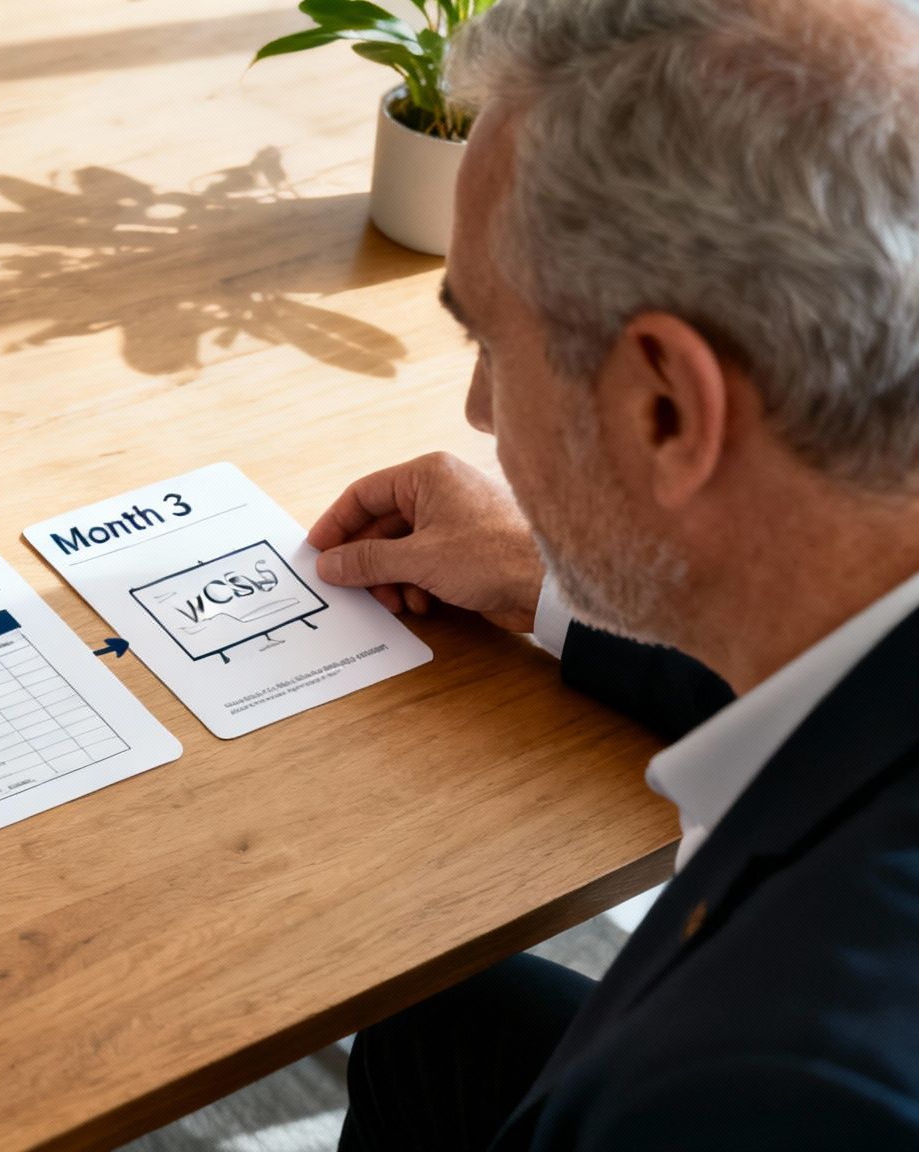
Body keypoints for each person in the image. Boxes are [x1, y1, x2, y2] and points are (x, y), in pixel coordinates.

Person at [302, 0, 919, 1147]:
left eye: (487, 342)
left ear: (665, 406)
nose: (478, 409)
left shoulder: (768, 1091)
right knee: (442, 1027)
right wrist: (545, 579)